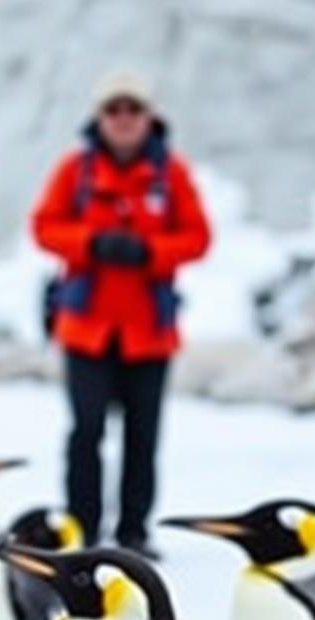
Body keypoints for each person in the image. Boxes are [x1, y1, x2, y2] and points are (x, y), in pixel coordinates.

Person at [31, 69, 212, 557]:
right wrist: (92, 242)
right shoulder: (76, 171)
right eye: (114, 109)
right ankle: (82, 530)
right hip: (87, 332)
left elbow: (198, 238)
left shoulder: (171, 175)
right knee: (85, 433)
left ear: (150, 116)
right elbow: (44, 227)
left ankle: (134, 531)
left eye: (133, 109)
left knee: (142, 437)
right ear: (100, 117)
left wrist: (150, 251)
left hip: (149, 334)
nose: (124, 119)